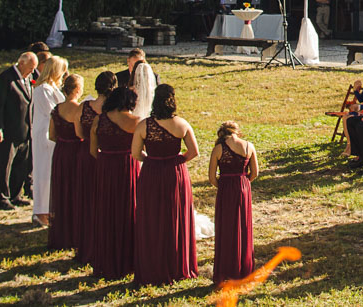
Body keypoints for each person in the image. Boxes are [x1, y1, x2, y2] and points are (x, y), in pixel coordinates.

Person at [133, 83, 198, 286]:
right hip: (175, 173)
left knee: (152, 216)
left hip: (152, 172)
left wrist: (153, 160)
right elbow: (194, 152)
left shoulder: (144, 125)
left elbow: (136, 154)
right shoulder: (182, 124)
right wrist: (176, 160)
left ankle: (152, 264)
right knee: (175, 215)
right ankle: (176, 264)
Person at [88, 86, 142, 279]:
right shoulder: (136, 122)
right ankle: (129, 258)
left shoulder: (98, 120)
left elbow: (93, 151)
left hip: (106, 167)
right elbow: (141, 151)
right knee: (129, 209)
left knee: (107, 209)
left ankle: (107, 257)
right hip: (129, 167)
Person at [73, 70, 115, 264]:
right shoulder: (115, 111)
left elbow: (79, 131)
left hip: (86, 154)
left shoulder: (84, 107)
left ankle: (85, 240)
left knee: (87, 197)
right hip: (107, 155)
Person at [210, 120, 258, 284]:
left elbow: (211, 177)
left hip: (225, 187)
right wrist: (244, 182)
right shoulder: (248, 146)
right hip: (243, 186)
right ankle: (244, 268)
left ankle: (226, 268)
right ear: (237, 131)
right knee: (243, 226)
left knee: (226, 227)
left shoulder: (218, 149)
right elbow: (255, 173)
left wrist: (223, 184)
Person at [0, 53, 38, 210]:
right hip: (9, 129)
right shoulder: (6, 78)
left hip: (26, 129)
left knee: (21, 164)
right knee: (5, 165)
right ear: (21, 63)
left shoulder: (30, 77)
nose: (32, 71)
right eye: (31, 68)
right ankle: (2, 197)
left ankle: (16, 195)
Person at [29, 55, 70, 226]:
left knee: (51, 172)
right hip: (45, 132)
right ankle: (40, 211)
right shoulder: (43, 89)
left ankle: (50, 208)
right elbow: (53, 111)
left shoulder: (52, 87)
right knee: (43, 172)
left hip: (52, 132)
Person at [47, 72, 87, 252]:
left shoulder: (56, 108)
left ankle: (62, 231)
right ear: (77, 89)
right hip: (75, 152)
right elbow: (80, 134)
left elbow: (52, 135)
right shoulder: (78, 109)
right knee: (76, 190)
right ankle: (76, 233)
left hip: (61, 151)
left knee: (61, 190)